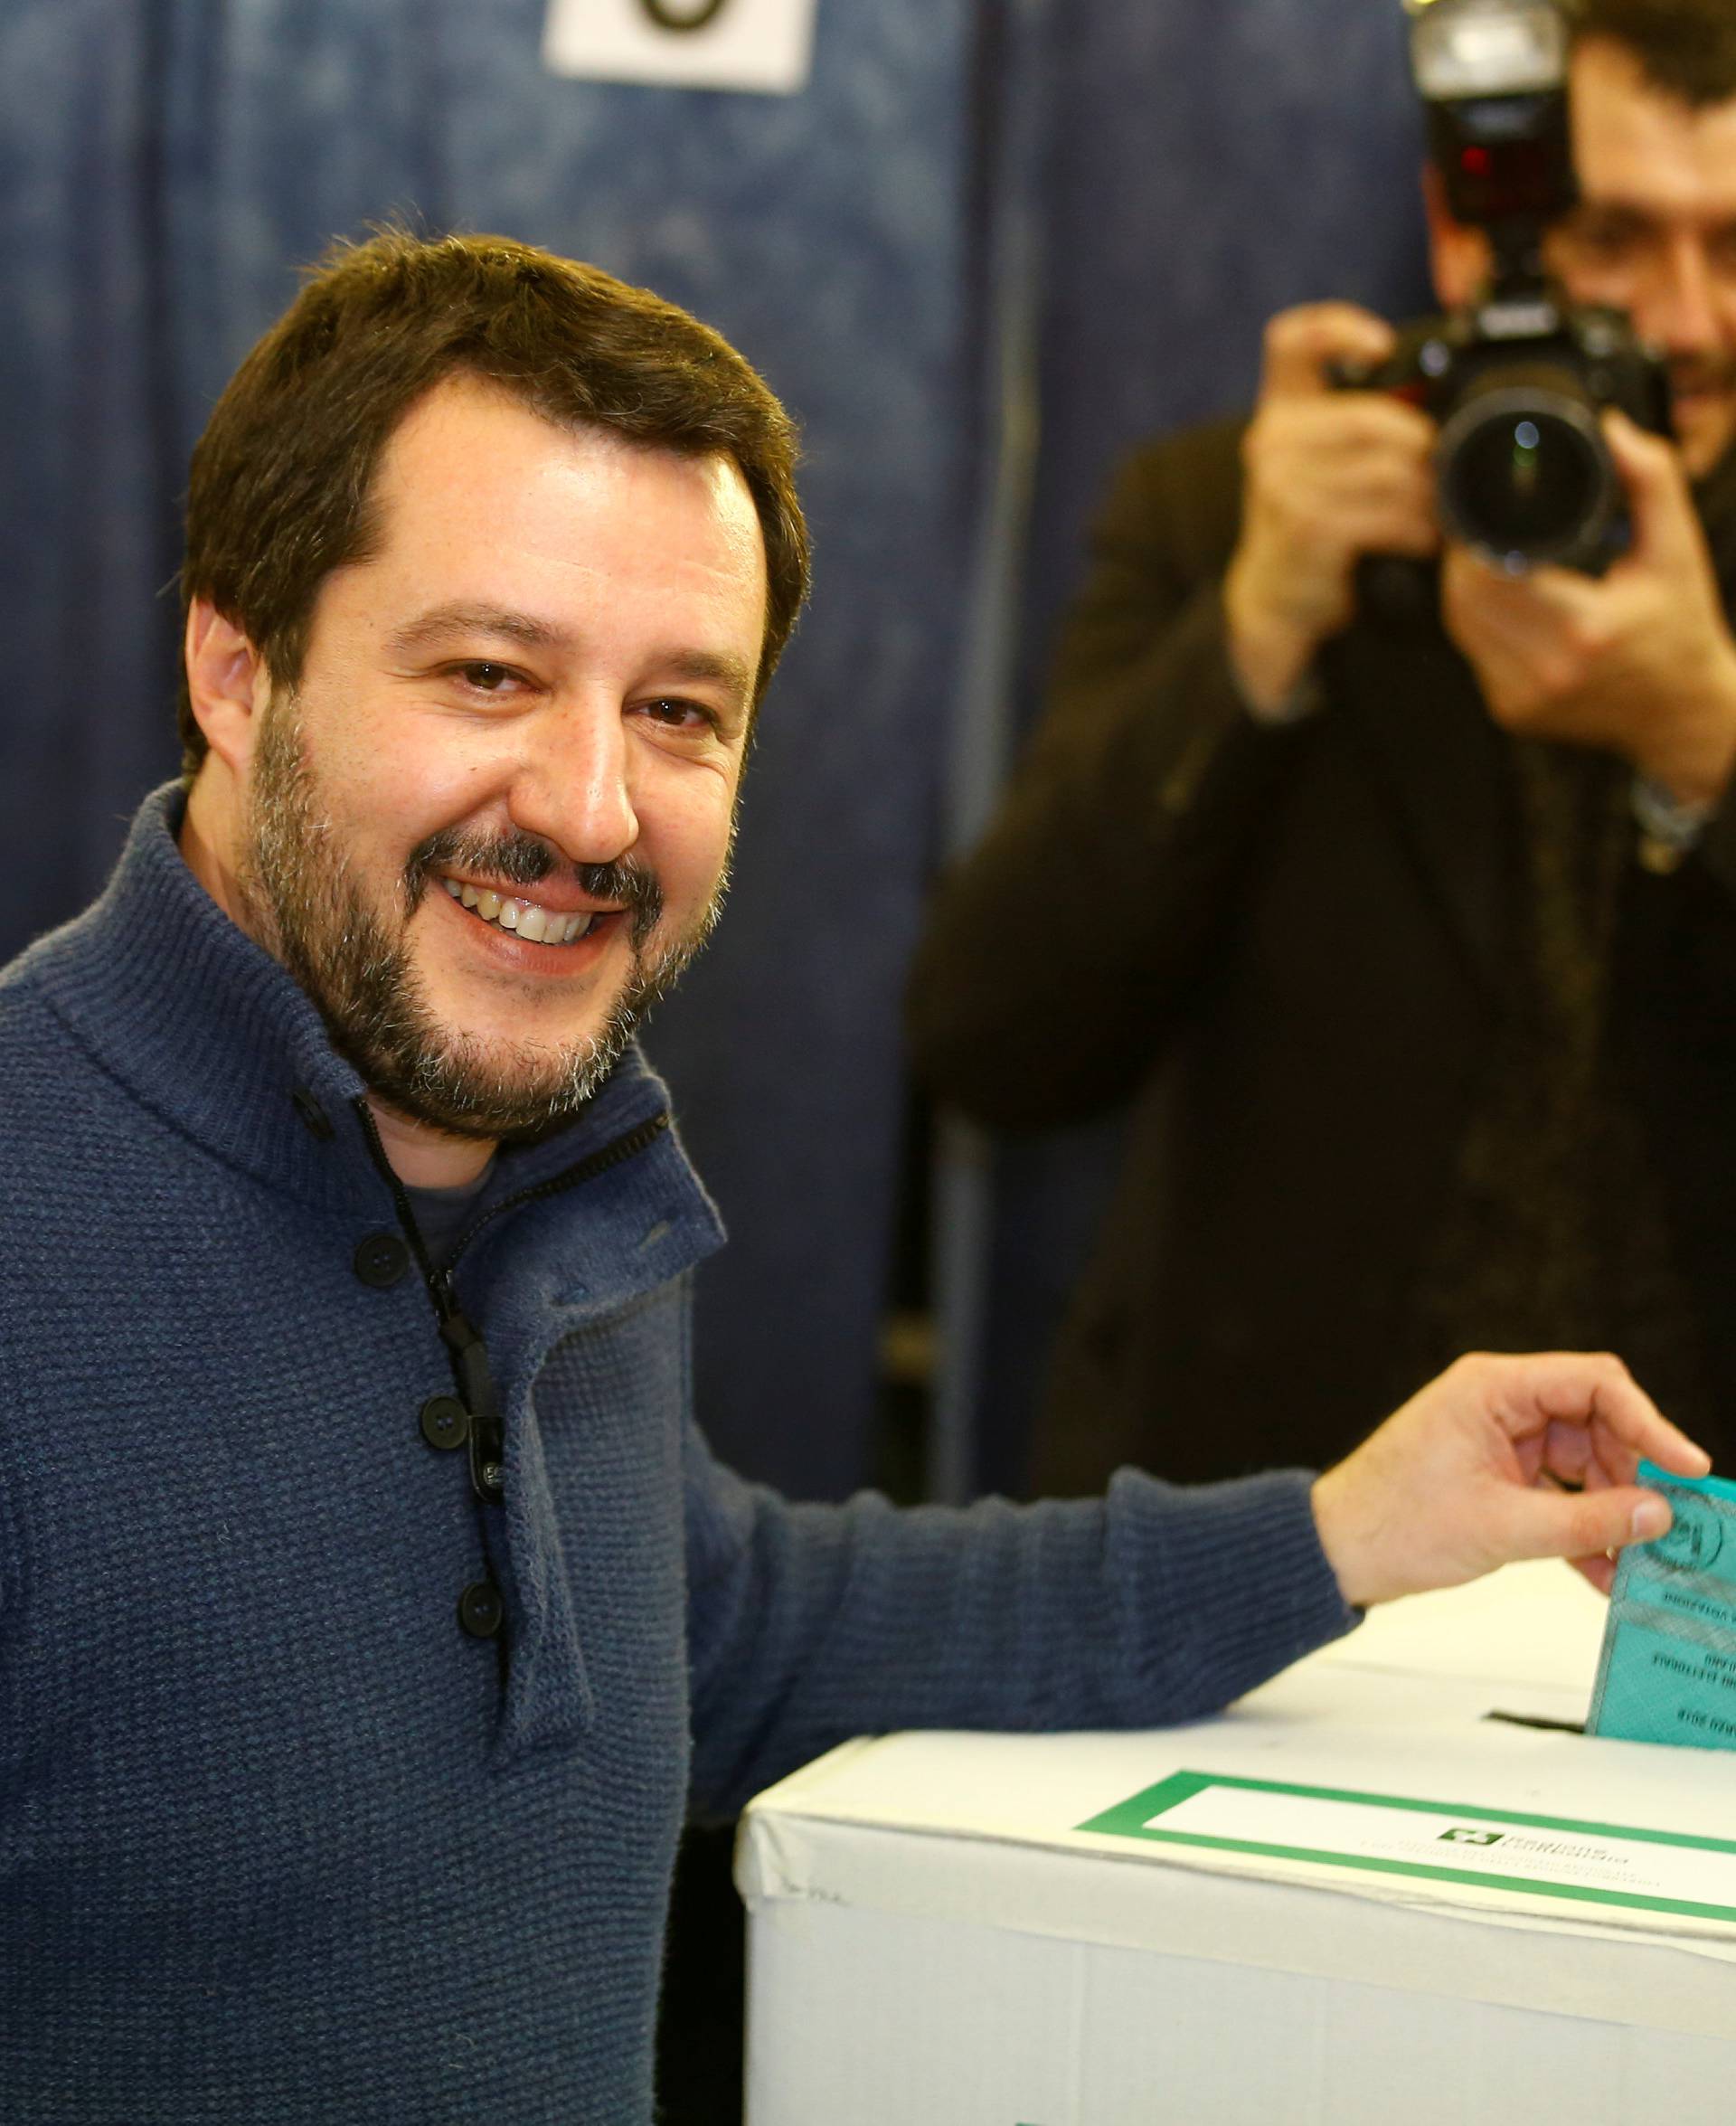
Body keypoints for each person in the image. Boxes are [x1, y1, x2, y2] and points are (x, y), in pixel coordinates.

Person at [0, 228, 1707, 2126]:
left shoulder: (566, 1190)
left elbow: (734, 1626)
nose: (588, 810)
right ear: (237, 671)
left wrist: (1340, 1536)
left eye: (680, 713)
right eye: (490, 673)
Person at [908, 0, 1736, 1497]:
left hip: (1692, 1550)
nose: (1684, 321)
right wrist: (1256, 632)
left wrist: (1709, 741)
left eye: (1735, 247)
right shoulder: (1228, 511)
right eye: (1611, 242)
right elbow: (994, 1037)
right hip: (1279, 1525)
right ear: (1468, 231)